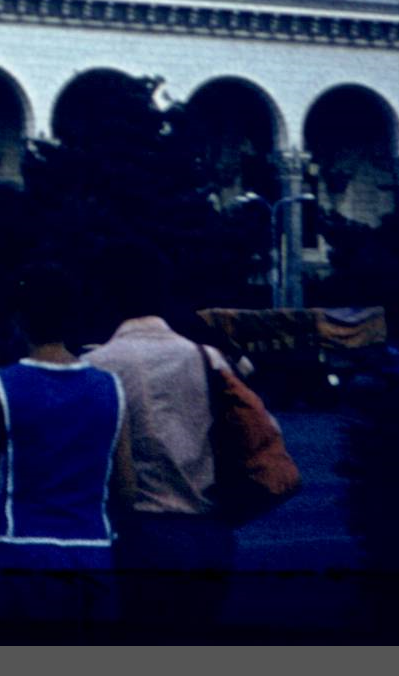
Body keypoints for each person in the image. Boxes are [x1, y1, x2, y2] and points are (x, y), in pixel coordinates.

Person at [0, 263, 134, 624]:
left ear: (21, 320)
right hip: (92, 555)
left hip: (21, 555)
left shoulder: (1, 386)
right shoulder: (111, 389)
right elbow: (126, 489)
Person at [82, 241, 238, 631]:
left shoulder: (95, 367)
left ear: (110, 296)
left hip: (137, 537)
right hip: (210, 535)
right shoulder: (208, 359)